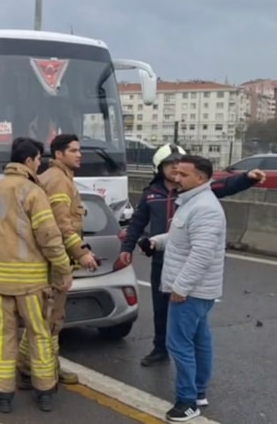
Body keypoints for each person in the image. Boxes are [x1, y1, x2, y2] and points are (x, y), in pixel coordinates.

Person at [119, 143, 266, 367]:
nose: (174, 170)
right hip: (161, 259)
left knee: (190, 318)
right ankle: (160, 349)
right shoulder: (151, 194)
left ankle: (191, 365)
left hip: (187, 263)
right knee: (161, 309)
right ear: (159, 168)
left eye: (178, 165)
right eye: (169, 165)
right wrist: (127, 248)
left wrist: (248, 178)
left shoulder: (196, 193)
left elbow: (226, 185)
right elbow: (137, 223)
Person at [0, 138, 73, 414]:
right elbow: (49, 237)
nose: (40, 163)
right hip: (31, 283)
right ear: (29, 161)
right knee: (39, 335)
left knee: (2, 337)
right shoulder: (33, 192)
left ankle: (1, 394)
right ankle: (44, 392)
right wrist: (63, 269)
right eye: (39, 159)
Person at [147, 155, 225, 422]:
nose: (176, 177)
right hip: (195, 290)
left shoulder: (204, 208)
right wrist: (156, 242)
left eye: (183, 174)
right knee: (200, 340)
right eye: (175, 173)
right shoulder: (192, 202)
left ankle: (187, 401)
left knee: (179, 344)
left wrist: (181, 287)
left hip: (191, 291)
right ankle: (198, 392)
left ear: (200, 178)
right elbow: (181, 238)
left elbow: (201, 254)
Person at [19, 134, 98, 387]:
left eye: (79, 150)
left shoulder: (57, 178)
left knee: (44, 317)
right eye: (73, 150)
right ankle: (44, 369)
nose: (79, 154)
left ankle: (27, 366)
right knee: (51, 319)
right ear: (59, 154)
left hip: (50, 259)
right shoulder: (58, 181)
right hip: (53, 262)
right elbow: (60, 224)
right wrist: (81, 252)